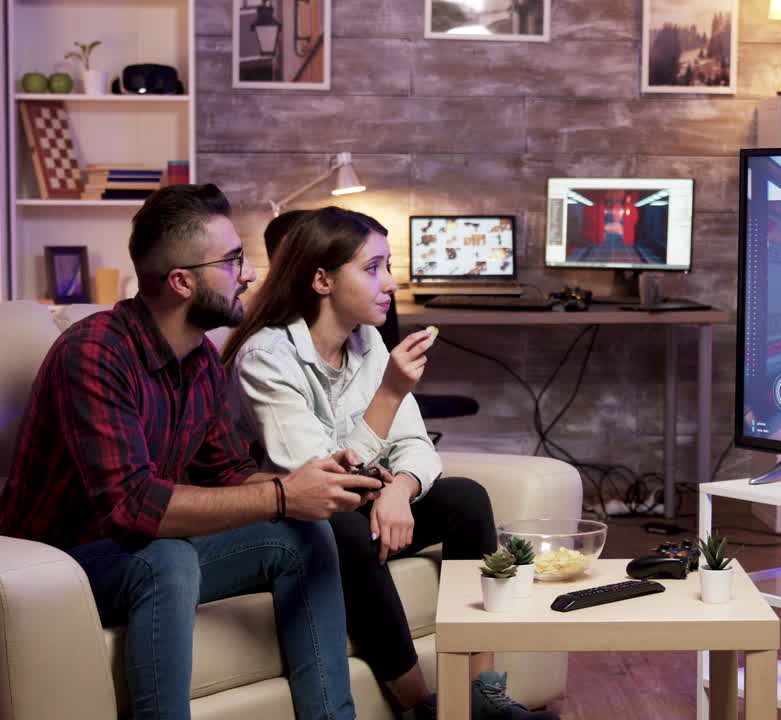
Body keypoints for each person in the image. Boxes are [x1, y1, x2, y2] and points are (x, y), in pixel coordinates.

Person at [0, 185, 383, 720]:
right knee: (166, 557)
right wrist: (283, 497)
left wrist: (312, 482)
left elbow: (227, 472)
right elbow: (133, 508)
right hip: (52, 566)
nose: (248, 274)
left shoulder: (197, 359)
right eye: (233, 261)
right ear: (182, 281)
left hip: (138, 552)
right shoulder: (95, 353)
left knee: (304, 535)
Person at [222, 207, 559, 720]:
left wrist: (401, 488)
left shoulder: (368, 341)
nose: (390, 282)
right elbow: (322, 476)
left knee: (467, 499)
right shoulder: (267, 357)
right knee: (347, 529)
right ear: (322, 279)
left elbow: (417, 445)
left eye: (388, 266)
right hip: (299, 516)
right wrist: (391, 391)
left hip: (363, 499)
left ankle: (481, 694)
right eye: (373, 268)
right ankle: (422, 705)